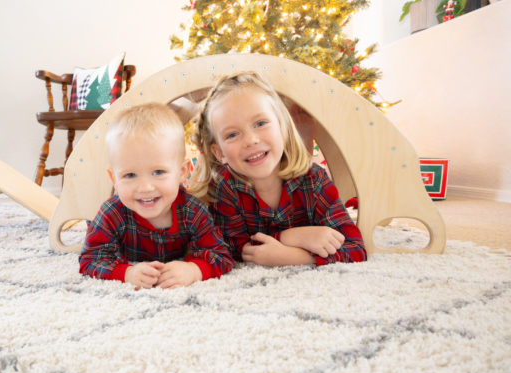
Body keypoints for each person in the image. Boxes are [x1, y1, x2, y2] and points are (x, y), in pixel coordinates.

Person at [189, 72, 366, 266]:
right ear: (219, 152)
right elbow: (229, 248)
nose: (251, 140)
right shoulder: (224, 187)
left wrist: (296, 257)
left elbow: (355, 248)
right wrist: (290, 237)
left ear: (282, 127)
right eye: (232, 134)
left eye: (260, 123)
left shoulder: (314, 180)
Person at [79, 103, 234, 289]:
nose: (145, 187)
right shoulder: (112, 213)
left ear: (182, 172)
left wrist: (193, 270)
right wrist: (127, 273)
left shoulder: (193, 211)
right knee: (94, 231)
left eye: (158, 172)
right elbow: (90, 258)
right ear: (114, 178)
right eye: (130, 175)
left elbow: (221, 254)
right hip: (116, 242)